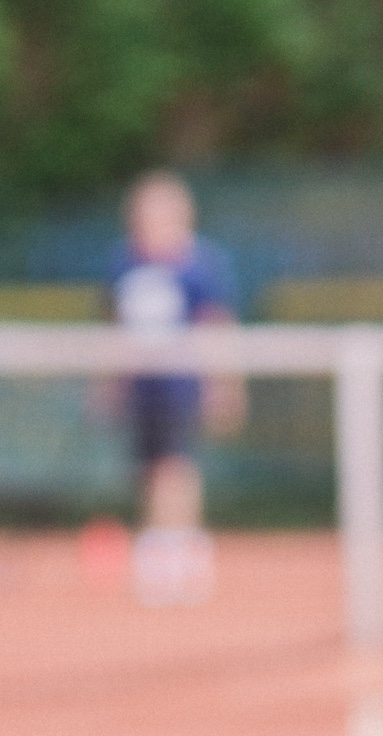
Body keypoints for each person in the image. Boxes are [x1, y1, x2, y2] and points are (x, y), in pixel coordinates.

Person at [108, 172, 243, 606]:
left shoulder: (199, 265)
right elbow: (114, 329)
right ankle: (156, 548)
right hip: (142, 387)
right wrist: (109, 382)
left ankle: (180, 552)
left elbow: (216, 326)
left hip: (181, 383)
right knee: (148, 469)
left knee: (175, 469)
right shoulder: (124, 264)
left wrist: (224, 383)